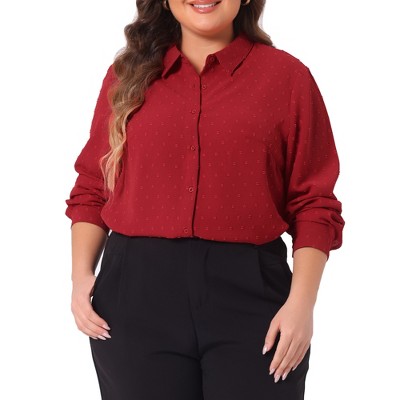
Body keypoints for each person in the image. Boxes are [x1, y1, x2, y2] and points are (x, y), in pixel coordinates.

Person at [65, 0, 345, 399]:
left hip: (253, 297)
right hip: (135, 298)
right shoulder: (125, 77)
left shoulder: (287, 78)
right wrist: (80, 277)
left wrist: (302, 305)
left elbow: (314, 202)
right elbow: (94, 186)